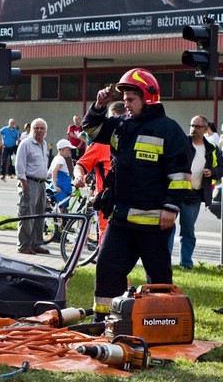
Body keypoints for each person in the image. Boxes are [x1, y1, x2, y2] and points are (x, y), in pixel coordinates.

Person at [82, 68, 191, 321]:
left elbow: (180, 175)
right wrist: (99, 105)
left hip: (154, 222)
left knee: (159, 278)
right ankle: (107, 320)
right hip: (121, 220)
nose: (127, 105)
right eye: (126, 100)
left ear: (148, 98)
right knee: (107, 267)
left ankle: (162, 321)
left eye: (131, 100)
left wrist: (171, 208)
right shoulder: (121, 125)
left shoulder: (168, 130)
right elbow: (92, 129)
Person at [168, 115, 223, 269]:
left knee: (188, 231)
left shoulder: (212, 148)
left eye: (198, 126)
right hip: (174, 192)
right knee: (168, 228)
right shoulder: (181, 143)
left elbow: (221, 168)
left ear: (206, 129)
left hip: (193, 195)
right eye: (192, 125)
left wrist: (212, 172)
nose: (193, 129)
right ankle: (164, 262)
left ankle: (186, 264)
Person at [74, 101, 127, 239]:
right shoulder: (100, 144)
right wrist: (79, 176)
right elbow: (81, 165)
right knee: (107, 247)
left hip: (131, 204)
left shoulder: (135, 141)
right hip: (107, 204)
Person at [14, 118, 50, 255]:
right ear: (31, 129)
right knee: (27, 214)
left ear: (45, 131)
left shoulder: (44, 144)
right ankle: (24, 245)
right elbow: (19, 165)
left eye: (42, 128)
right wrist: (23, 182)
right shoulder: (26, 143)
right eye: (36, 128)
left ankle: (36, 243)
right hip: (29, 182)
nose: (39, 130)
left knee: (40, 214)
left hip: (41, 183)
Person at [48, 139, 74, 211]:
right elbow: (54, 171)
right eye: (68, 150)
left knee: (58, 207)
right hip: (62, 188)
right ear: (62, 150)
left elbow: (49, 174)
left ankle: (58, 220)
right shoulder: (61, 159)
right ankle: (61, 221)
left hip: (57, 187)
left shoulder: (55, 158)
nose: (70, 151)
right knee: (62, 207)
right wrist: (55, 185)